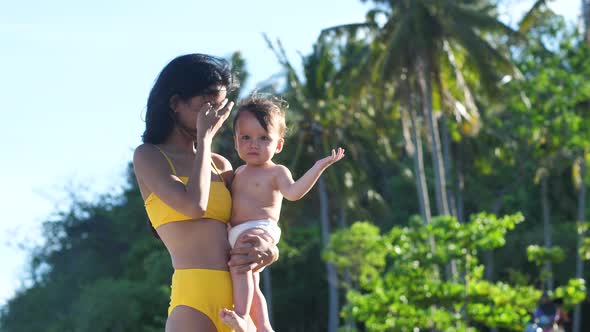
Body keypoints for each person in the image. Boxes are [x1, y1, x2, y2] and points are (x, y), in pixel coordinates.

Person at [133, 54, 279, 332]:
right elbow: (194, 205)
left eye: (221, 103)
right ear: (175, 103)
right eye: (208, 101)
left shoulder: (220, 164)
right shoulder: (149, 157)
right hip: (194, 301)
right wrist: (204, 139)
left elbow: (251, 221)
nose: (217, 111)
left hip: (241, 300)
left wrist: (269, 250)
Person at [218, 94, 345, 332]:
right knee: (252, 283)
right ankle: (264, 327)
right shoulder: (237, 173)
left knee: (241, 267)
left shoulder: (276, 171)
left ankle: (242, 316)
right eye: (246, 137)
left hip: (260, 230)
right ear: (236, 141)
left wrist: (318, 166)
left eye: (263, 138)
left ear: (278, 144)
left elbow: (294, 192)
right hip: (236, 232)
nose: (253, 144)